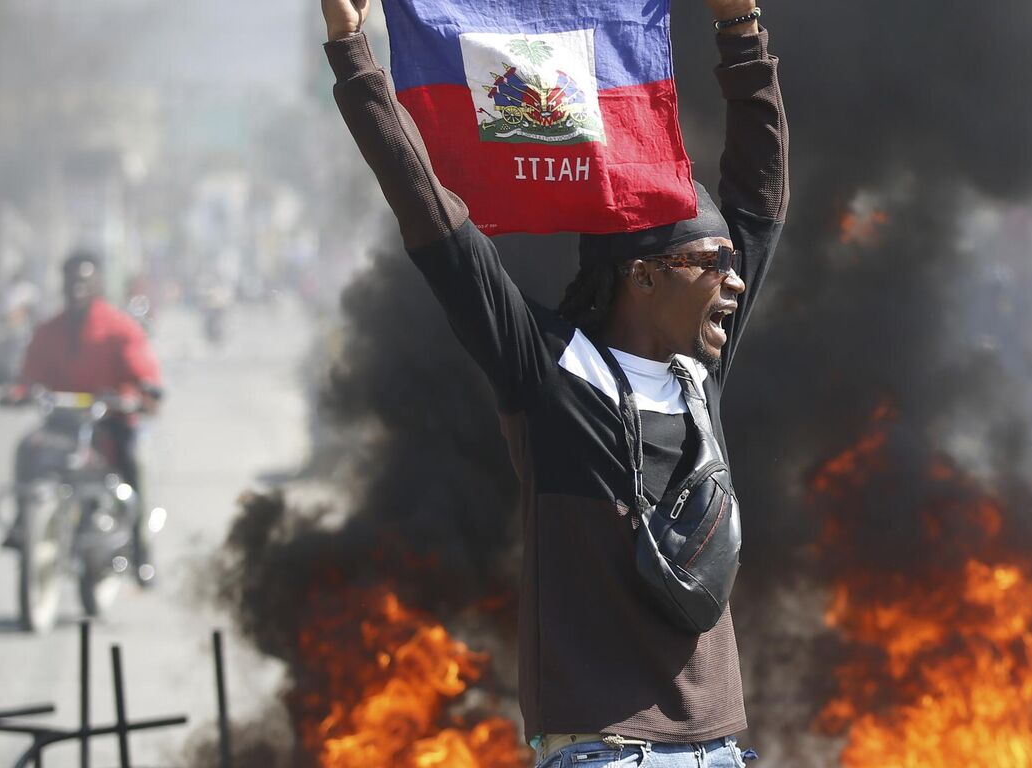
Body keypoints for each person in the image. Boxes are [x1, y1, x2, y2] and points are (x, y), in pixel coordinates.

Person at [318, 0, 787, 765]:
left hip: (721, 751)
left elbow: (761, 205)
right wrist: (353, 54)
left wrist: (741, 32)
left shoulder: (698, 377)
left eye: (732, 265)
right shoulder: (547, 369)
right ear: (641, 277)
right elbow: (433, 219)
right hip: (606, 753)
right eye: (712, 263)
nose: (735, 283)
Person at [6, 251, 165, 583]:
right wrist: (18, 392)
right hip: (63, 422)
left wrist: (143, 392)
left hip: (110, 421)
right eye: (71, 280)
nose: (77, 287)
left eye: (85, 280)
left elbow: (143, 370)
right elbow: (29, 374)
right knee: (26, 449)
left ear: (98, 284)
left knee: (133, 463)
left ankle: (140, 551)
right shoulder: (49, 330)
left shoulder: (119, 328)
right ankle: (23, 525)